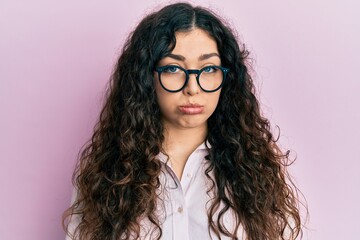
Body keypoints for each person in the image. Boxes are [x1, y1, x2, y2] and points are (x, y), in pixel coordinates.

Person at [63, 2, 305, 240]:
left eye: (208, 69)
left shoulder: (257, 168)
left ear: (226, 76)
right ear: (148, 77)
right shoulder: (106, 172)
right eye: (173, 69)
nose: (192, 88)